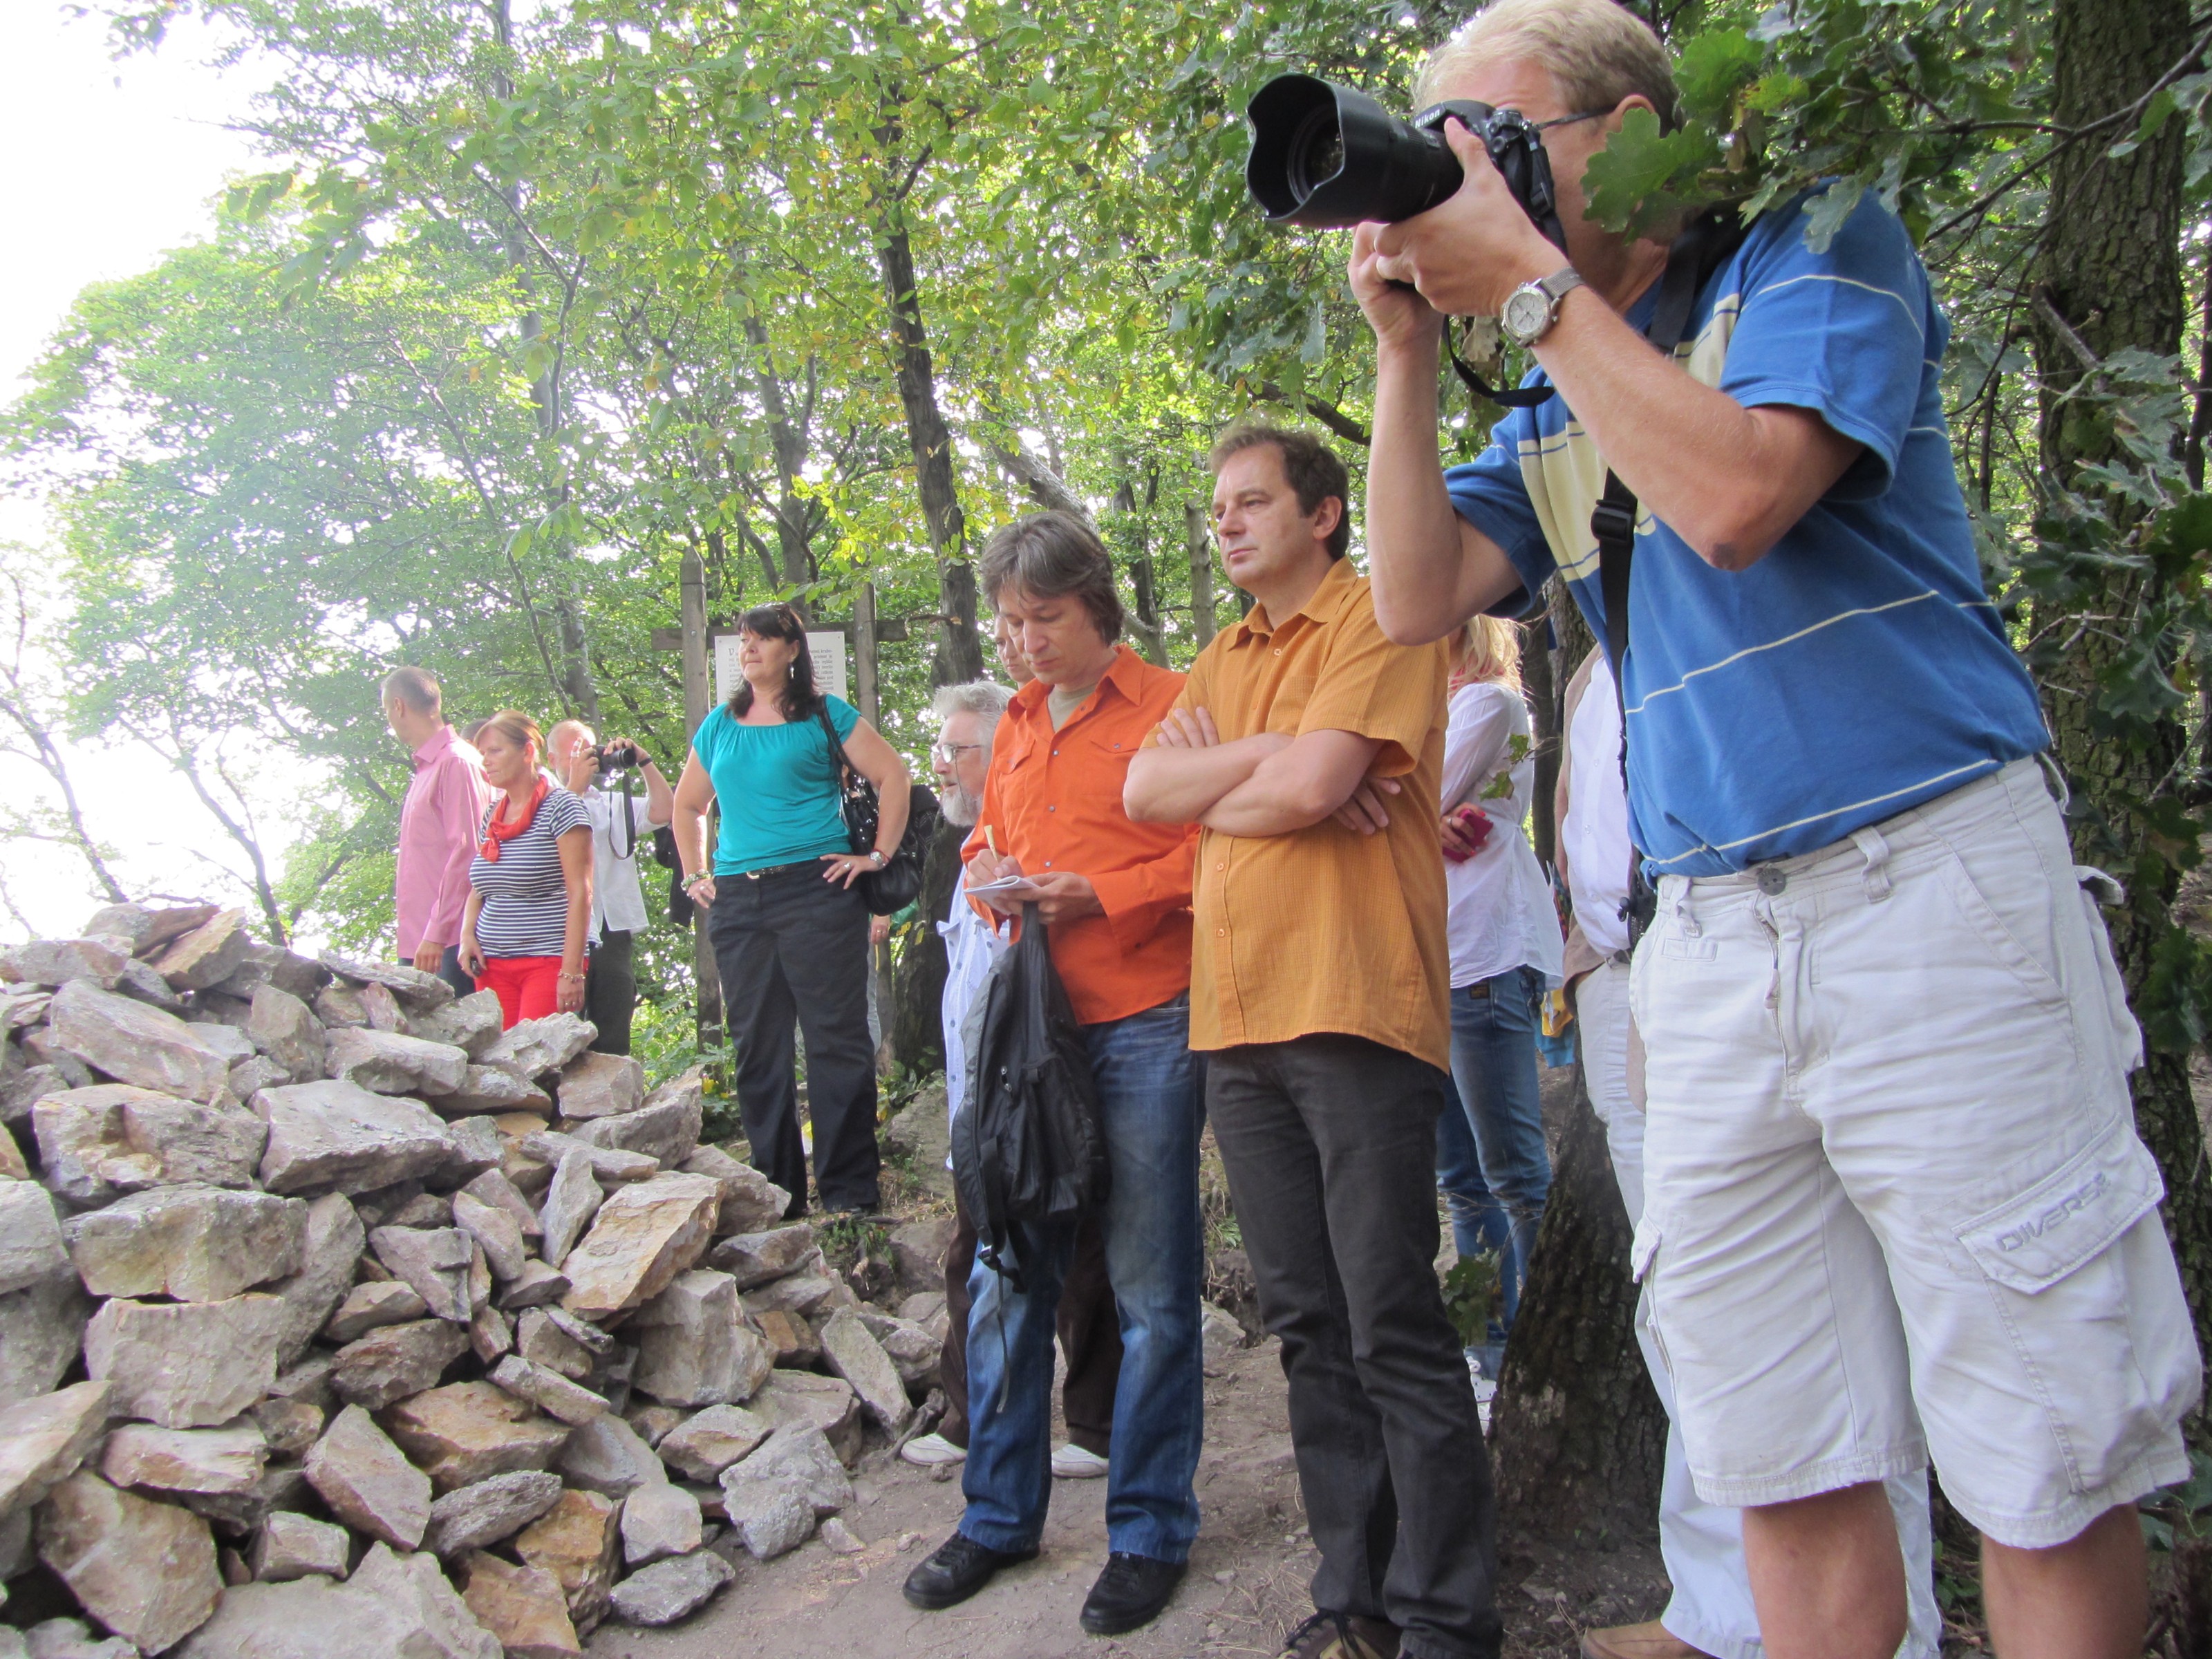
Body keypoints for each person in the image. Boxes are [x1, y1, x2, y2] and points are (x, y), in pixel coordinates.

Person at [1354, 0, 2202, 1650]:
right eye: (1440, 150)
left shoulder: (1814, 243)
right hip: (1712, 942)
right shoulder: (1553, 400)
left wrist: (1527, 289)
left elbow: (1739, 499)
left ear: (1635, 127)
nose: (1464, 180)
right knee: (1786, 1465)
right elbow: (1409, 592)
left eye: (1495, 140)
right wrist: (1406, 346)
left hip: (1929, 890)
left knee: (2041, 1456)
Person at [1126, 426, 1499, 1659]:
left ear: (1326, 513)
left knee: (1392, 1317)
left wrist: (1251, 785)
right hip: (1233, 1019)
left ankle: (1449, 1621)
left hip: (1356, 1005)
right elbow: (1143, 796)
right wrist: (1289, 769)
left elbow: (1291, 791)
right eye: (1215, 509)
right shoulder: (1220, 654)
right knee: (1308, 1327)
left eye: (1251, 503)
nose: (1225, 525)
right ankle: (1359, 1604)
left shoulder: (1381, 617)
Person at [1554, 648, 1940, 1659]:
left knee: (1844, 1323)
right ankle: (1724, 1613)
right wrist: (1596, 955)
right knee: (1690, 1312)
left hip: (1752, 973)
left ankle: (1895, 1634)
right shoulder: (1597, 649)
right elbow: (1578, 803)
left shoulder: (1732, 603)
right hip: (1625, 986)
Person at [903, 512, 1205, 1639]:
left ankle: (1150, 1531)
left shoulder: (1172, 706)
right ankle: (997, 1516)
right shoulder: (1020, 722)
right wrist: (993, 867)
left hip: (1141, 1024)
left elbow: (1221, 848)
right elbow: (993, 837)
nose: (1025, 642)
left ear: (1097, 608)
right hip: (1027, 1032)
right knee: (1003, 1273)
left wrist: (1104, 893)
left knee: (1151, 1290)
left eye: (1046, 618)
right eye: (1011, 620)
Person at [899, 677, 1128, 1483]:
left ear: (1004, 753)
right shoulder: (963, 854)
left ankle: (1097, 1426)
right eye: (944, 749)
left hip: (1038, 1082)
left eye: (959, 750)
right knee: (973, 1248)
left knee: (1080, 1243)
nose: (945, 766)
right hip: (977, 1095)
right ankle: (968, 1419)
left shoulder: (1041, 845)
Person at [671, 602, 910, 1217]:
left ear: (792, 650)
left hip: (818, 890)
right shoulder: (719, 725)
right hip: (738, 899)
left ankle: (851, 1195)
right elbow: (688, 805)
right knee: (757, 1045)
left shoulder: (826, 715)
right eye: (743, 640)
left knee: (837, 1040)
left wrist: (878, 857)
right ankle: (777, 1197)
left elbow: (893, 775)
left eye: (761, 640)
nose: (747, 648)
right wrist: (696, 871)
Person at [1430, 614, 1559, 1371]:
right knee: (1460, 1179)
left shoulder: (1488, 704)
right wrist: (1419, 822)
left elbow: (1383, 791)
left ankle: (1545, 1354)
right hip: (1435, 958)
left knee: (1511, 1173)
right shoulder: (1432, 706)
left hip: (1482, 951)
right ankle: (1490, 1352)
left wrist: (1404, 812)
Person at [547, 720, 675, 1056]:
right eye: (572, 753)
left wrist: (644, 761)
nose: (582, 759)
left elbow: (665, 811)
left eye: (587, 750)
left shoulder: (610, 803)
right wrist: (573, 788)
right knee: (558, 1031)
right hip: (556, 931)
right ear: (550, 760)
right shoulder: (541, 802)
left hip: (611, 930)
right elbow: (538, 851)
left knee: (614, 1027)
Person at [457, 710, 594, 1027]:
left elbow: (581, 892)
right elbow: (481, 887)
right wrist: (467, 937)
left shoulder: (563, 806)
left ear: (527, 752)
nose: (486, 761)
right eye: (482, 754)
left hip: (546, 961)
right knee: (497, 1065)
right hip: (491, 963)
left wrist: (571, 971)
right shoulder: (493, 814)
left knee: (533, 1066)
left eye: (495, 751)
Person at [383, 666, 494, 999]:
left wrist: (437, 931)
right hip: (420, 939)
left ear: (399, 706)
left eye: (387, 709)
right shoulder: (426, 768)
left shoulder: (457, 761)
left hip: (450, 940)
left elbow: (469, 852)